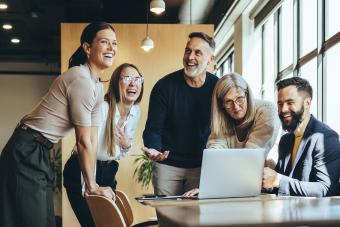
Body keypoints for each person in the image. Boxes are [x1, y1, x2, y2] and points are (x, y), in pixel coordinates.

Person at [0, 22, 117, 227]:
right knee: (32, 221)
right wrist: (91, 187)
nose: (111, 48)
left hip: (40, 149)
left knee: (45, 221)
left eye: (114, 43)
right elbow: (82, 141)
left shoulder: (97, 88)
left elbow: (91, 140)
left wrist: (93, 185)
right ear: (87, 48)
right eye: (104, 42)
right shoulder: (80, 79)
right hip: (25, 148)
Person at [63, 63, 144, 227]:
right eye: (127, 78)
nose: (133, 83)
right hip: (83, 168)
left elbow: (120, 154)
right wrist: (90, 185)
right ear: (116, 83)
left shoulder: (135, 111)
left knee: (108, 224)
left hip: (108, 170)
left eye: (137, 79)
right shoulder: (103, 108)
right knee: (93, 224)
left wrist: (126, 145)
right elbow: (87, 146)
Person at [142, 32, 218, 196]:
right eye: (187, 51)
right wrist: (154, 149)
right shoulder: (164, 87)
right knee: (168, 219)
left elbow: (225, 128)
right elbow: (153, 128)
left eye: (198, 53)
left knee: (196, 219)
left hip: (202, 166)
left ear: (211, 59)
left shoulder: (218, 88)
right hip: (167, 166)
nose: (190, 57)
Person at [183, 73, 281, 197]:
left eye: (240, 98)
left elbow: (250, 159)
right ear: (221, 105)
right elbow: (215, 156)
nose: (236, 106)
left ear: (247, 94)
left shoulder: (267, 111)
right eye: (228, 102)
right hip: (233, 185)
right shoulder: (221, 119)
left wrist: (215, 187)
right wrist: (208, 188)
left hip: (264, 186)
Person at [262, 77, 340, 197]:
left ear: (307, 103)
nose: (283, 109)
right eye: (280, 103)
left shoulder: (325, 138)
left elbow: (325, 188)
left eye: (290, 103)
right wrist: (264, 181)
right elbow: (281, 187)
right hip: (288, 211)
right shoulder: (285, 141)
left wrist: (278, 180)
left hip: (316, 214)